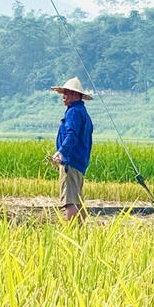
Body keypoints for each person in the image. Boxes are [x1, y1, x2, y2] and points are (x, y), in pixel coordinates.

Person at [50, 76, 94, 221]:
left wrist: (61, 152)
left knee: (70, 201)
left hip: (71, 161)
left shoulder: (74, 112)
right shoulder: (82, 112)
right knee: (77, 199)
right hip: (79, 161)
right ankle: (79, 230)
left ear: (75, 94)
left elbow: (72, 135)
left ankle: (72, 230)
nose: (64, 96)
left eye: (67, 93)